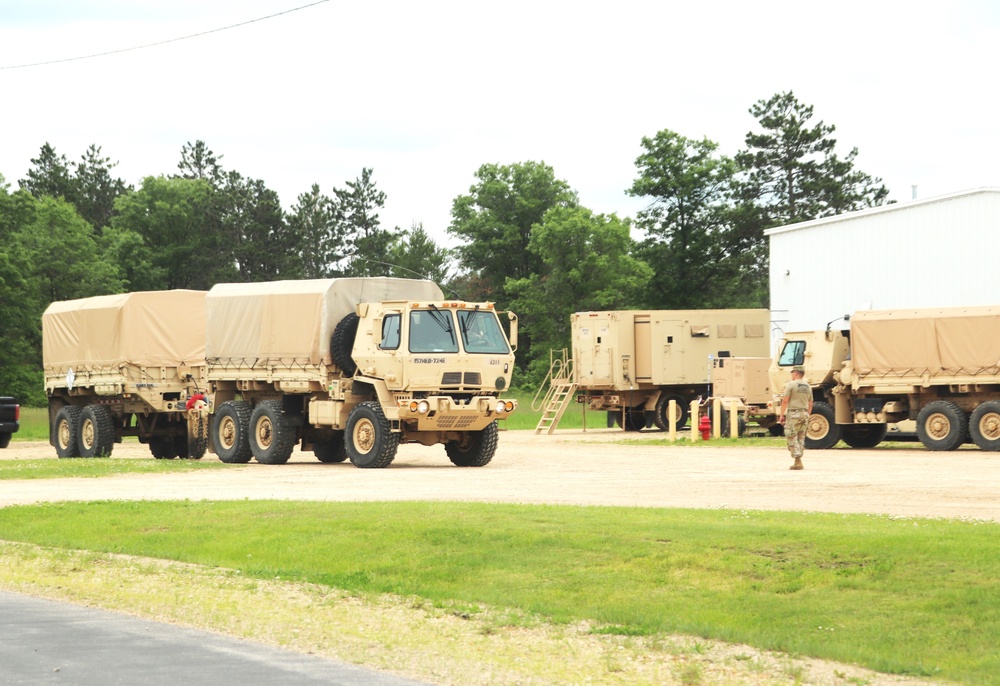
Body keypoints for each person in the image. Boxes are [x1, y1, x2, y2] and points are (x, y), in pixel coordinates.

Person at [778, 365, 813, 470]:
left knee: (791, 436)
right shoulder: (808, 386)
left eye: (792, 372)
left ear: (796, 373)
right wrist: (808, 414)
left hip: (793, 414)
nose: (791, 374)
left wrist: (781, 415)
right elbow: (810, 403)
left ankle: (798, 461)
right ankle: (799, 459)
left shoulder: (791, 385)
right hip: (804, 413)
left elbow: (785, 401)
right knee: (801, 438)